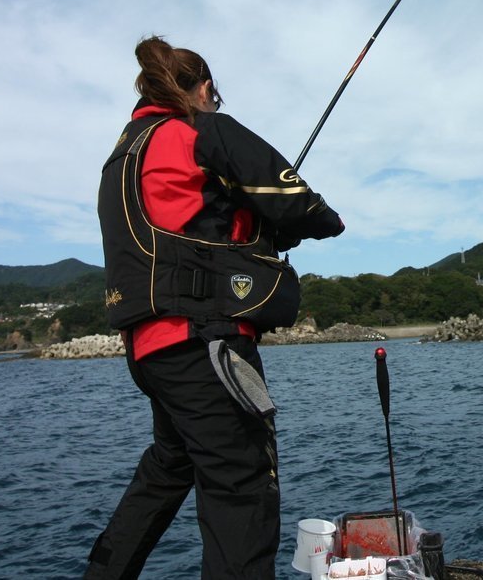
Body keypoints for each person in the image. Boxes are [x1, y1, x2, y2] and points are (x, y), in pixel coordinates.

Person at [86, 35, 344, 579]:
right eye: (215, 97)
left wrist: (248, 225)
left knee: (169, 465)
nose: (216, 106)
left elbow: (186, 225)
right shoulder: (200, 132)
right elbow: (311, 211)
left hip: (149, 352)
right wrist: (287, 225)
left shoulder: (122, 156)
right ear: (203, 88)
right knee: (242, 486)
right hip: (206, 342)